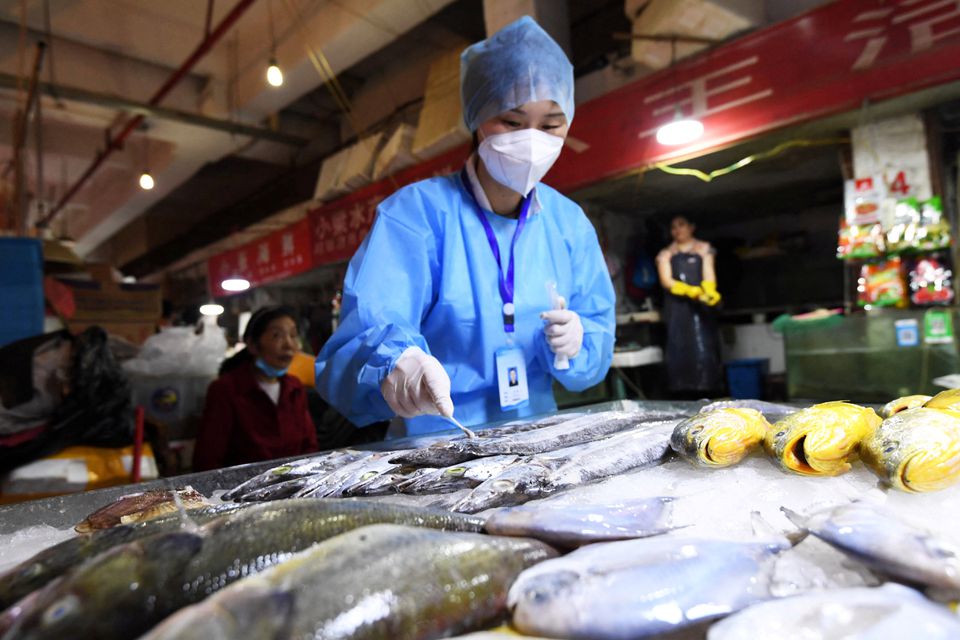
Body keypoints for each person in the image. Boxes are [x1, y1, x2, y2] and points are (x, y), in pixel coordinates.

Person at [316, 16, 615, 436]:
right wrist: (396, 363)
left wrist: (579, 343)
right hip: (435, 447)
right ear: (477, 117)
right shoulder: (416, 215)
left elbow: (594, 342)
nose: (532, 141)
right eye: (511, 122)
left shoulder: (569, 225)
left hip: (537, 439)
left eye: (550, 124)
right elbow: (365, 331)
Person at [194, 306, 317, 470]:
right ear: (252, 345)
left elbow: (309, 447)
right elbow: (207, 459)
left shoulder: (294, 388)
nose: (289, 344)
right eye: (277, 335)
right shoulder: (226, 390)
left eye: (293, 335)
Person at [656, 215, 723, 396]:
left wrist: (708, 290)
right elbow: (666, 280)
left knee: (706, 346)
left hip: (701, 307)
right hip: (677, 308)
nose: (677, 230)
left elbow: (709, 274)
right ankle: (682, 391)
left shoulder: (704, 249)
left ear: (691, 227)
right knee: (679, 346)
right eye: (673, 227)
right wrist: (688, 290)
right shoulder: (666, 254)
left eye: (682, 225)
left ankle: (710, 390)